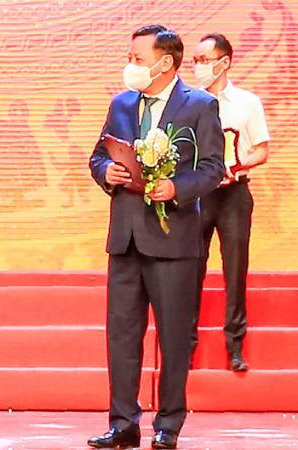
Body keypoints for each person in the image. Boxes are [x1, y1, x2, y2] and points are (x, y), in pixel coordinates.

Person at [87, 25, 224, 449]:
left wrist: (176, 188)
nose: (131, 65)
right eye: (130, 58)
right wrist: (106, 173)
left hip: (173, 238)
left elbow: (213, 168)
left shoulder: (199, 105)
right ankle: (123, 423)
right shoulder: (122, 103)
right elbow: (97, 155)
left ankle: (168, 424)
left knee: (173, 336)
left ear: (165, 62)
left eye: (138, 59)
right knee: (122, 335)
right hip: (125, 238)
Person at [191, 33, 270, 372]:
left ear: (224, 62)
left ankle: (235, 347)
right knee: (190, 269)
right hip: (198, 195)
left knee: (235, 270)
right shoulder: (188, 101)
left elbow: (262, 150)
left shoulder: (247, 103)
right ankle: (185, 346)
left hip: (234, 195)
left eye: (204, 60)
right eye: (195, 61)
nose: (198, 67)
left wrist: (236, 166)